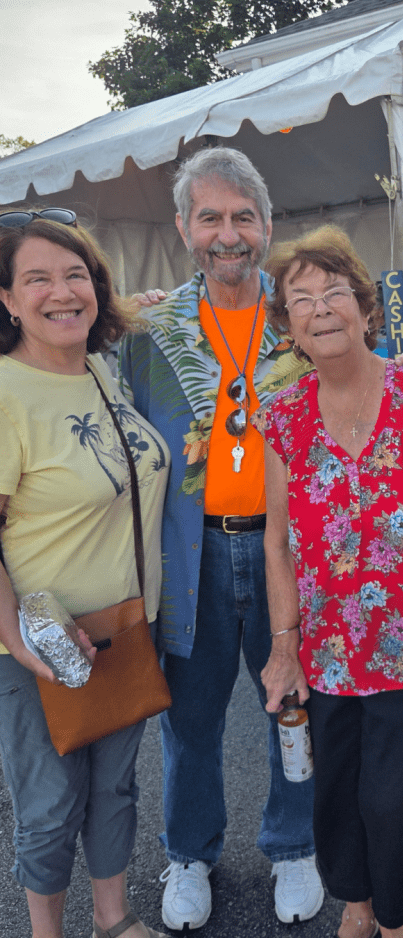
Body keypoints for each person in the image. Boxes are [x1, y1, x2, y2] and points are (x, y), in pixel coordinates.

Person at [117, 147, 323, 932]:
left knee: (291, 702)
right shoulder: (149, 327)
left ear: (267, 226)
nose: (227, 235)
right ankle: (190, 854)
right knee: (189, 720)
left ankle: (294, 845)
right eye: (211, 218)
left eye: (243, 217)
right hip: (190, 550)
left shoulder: (303, 312)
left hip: (287, 547)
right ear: (183, 227)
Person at [252, 225, 403, 938]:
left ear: (367, 309)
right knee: (335, 798)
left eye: (335, 291)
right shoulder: (282, 417)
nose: (321, 308)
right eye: (301, 299)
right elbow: (276, 544)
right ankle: (357, 904)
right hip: (327, 654)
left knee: (398, 799)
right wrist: (283, 646)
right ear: (289, 328)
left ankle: (394, 914)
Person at [0, 212, 170, 938]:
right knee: (48, 808)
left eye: (76, 275)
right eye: (36, 278)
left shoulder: (101, 366)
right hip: (43, 644)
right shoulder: (6, 393)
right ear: (6, 299)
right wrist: (16, 642)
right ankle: (46, 934)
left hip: (127, 623)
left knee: (117, 790)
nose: (61, 292)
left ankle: (114, 918)